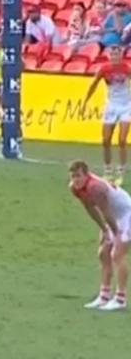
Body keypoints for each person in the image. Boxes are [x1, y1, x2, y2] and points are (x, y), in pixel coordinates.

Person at [70, 160, 131, 312]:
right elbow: (90, 209)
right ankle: (103, 295)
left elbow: (106, 212)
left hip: (126, 214)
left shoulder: (96, 187)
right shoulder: (75, 188)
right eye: (73, 177)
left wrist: (115, 233)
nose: (75, 180)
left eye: (78, 176)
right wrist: (104, 229)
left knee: (117, 255)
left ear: (87, 175)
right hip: (114, 217)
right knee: (103, 253)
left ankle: (120, 298)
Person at [85, 46, 131, 185]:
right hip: (111, 105)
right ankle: (107, 171)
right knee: (106, 140)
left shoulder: (126, 68)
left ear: (121, 56)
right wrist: (85, 101)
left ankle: (121, 171)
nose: (114, 57)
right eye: (112, 54)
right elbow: (93, 84)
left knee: (122, 140)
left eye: (117, 54)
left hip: (126, 105)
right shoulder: (104, 69)